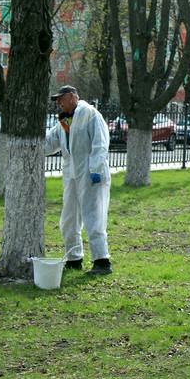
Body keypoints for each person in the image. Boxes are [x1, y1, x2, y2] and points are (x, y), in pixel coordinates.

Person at [45, 85, 112, 275]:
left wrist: (96, 168)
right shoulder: (64, 122)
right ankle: (74, 258)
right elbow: (50, 144)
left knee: (93, 216)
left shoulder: (90, 114)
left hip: (91, 174)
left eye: (61, 99)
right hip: (72, 175)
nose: (58, 103)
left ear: (72, 96)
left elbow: (100, 143)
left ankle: (102, 261)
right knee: (69, 218)